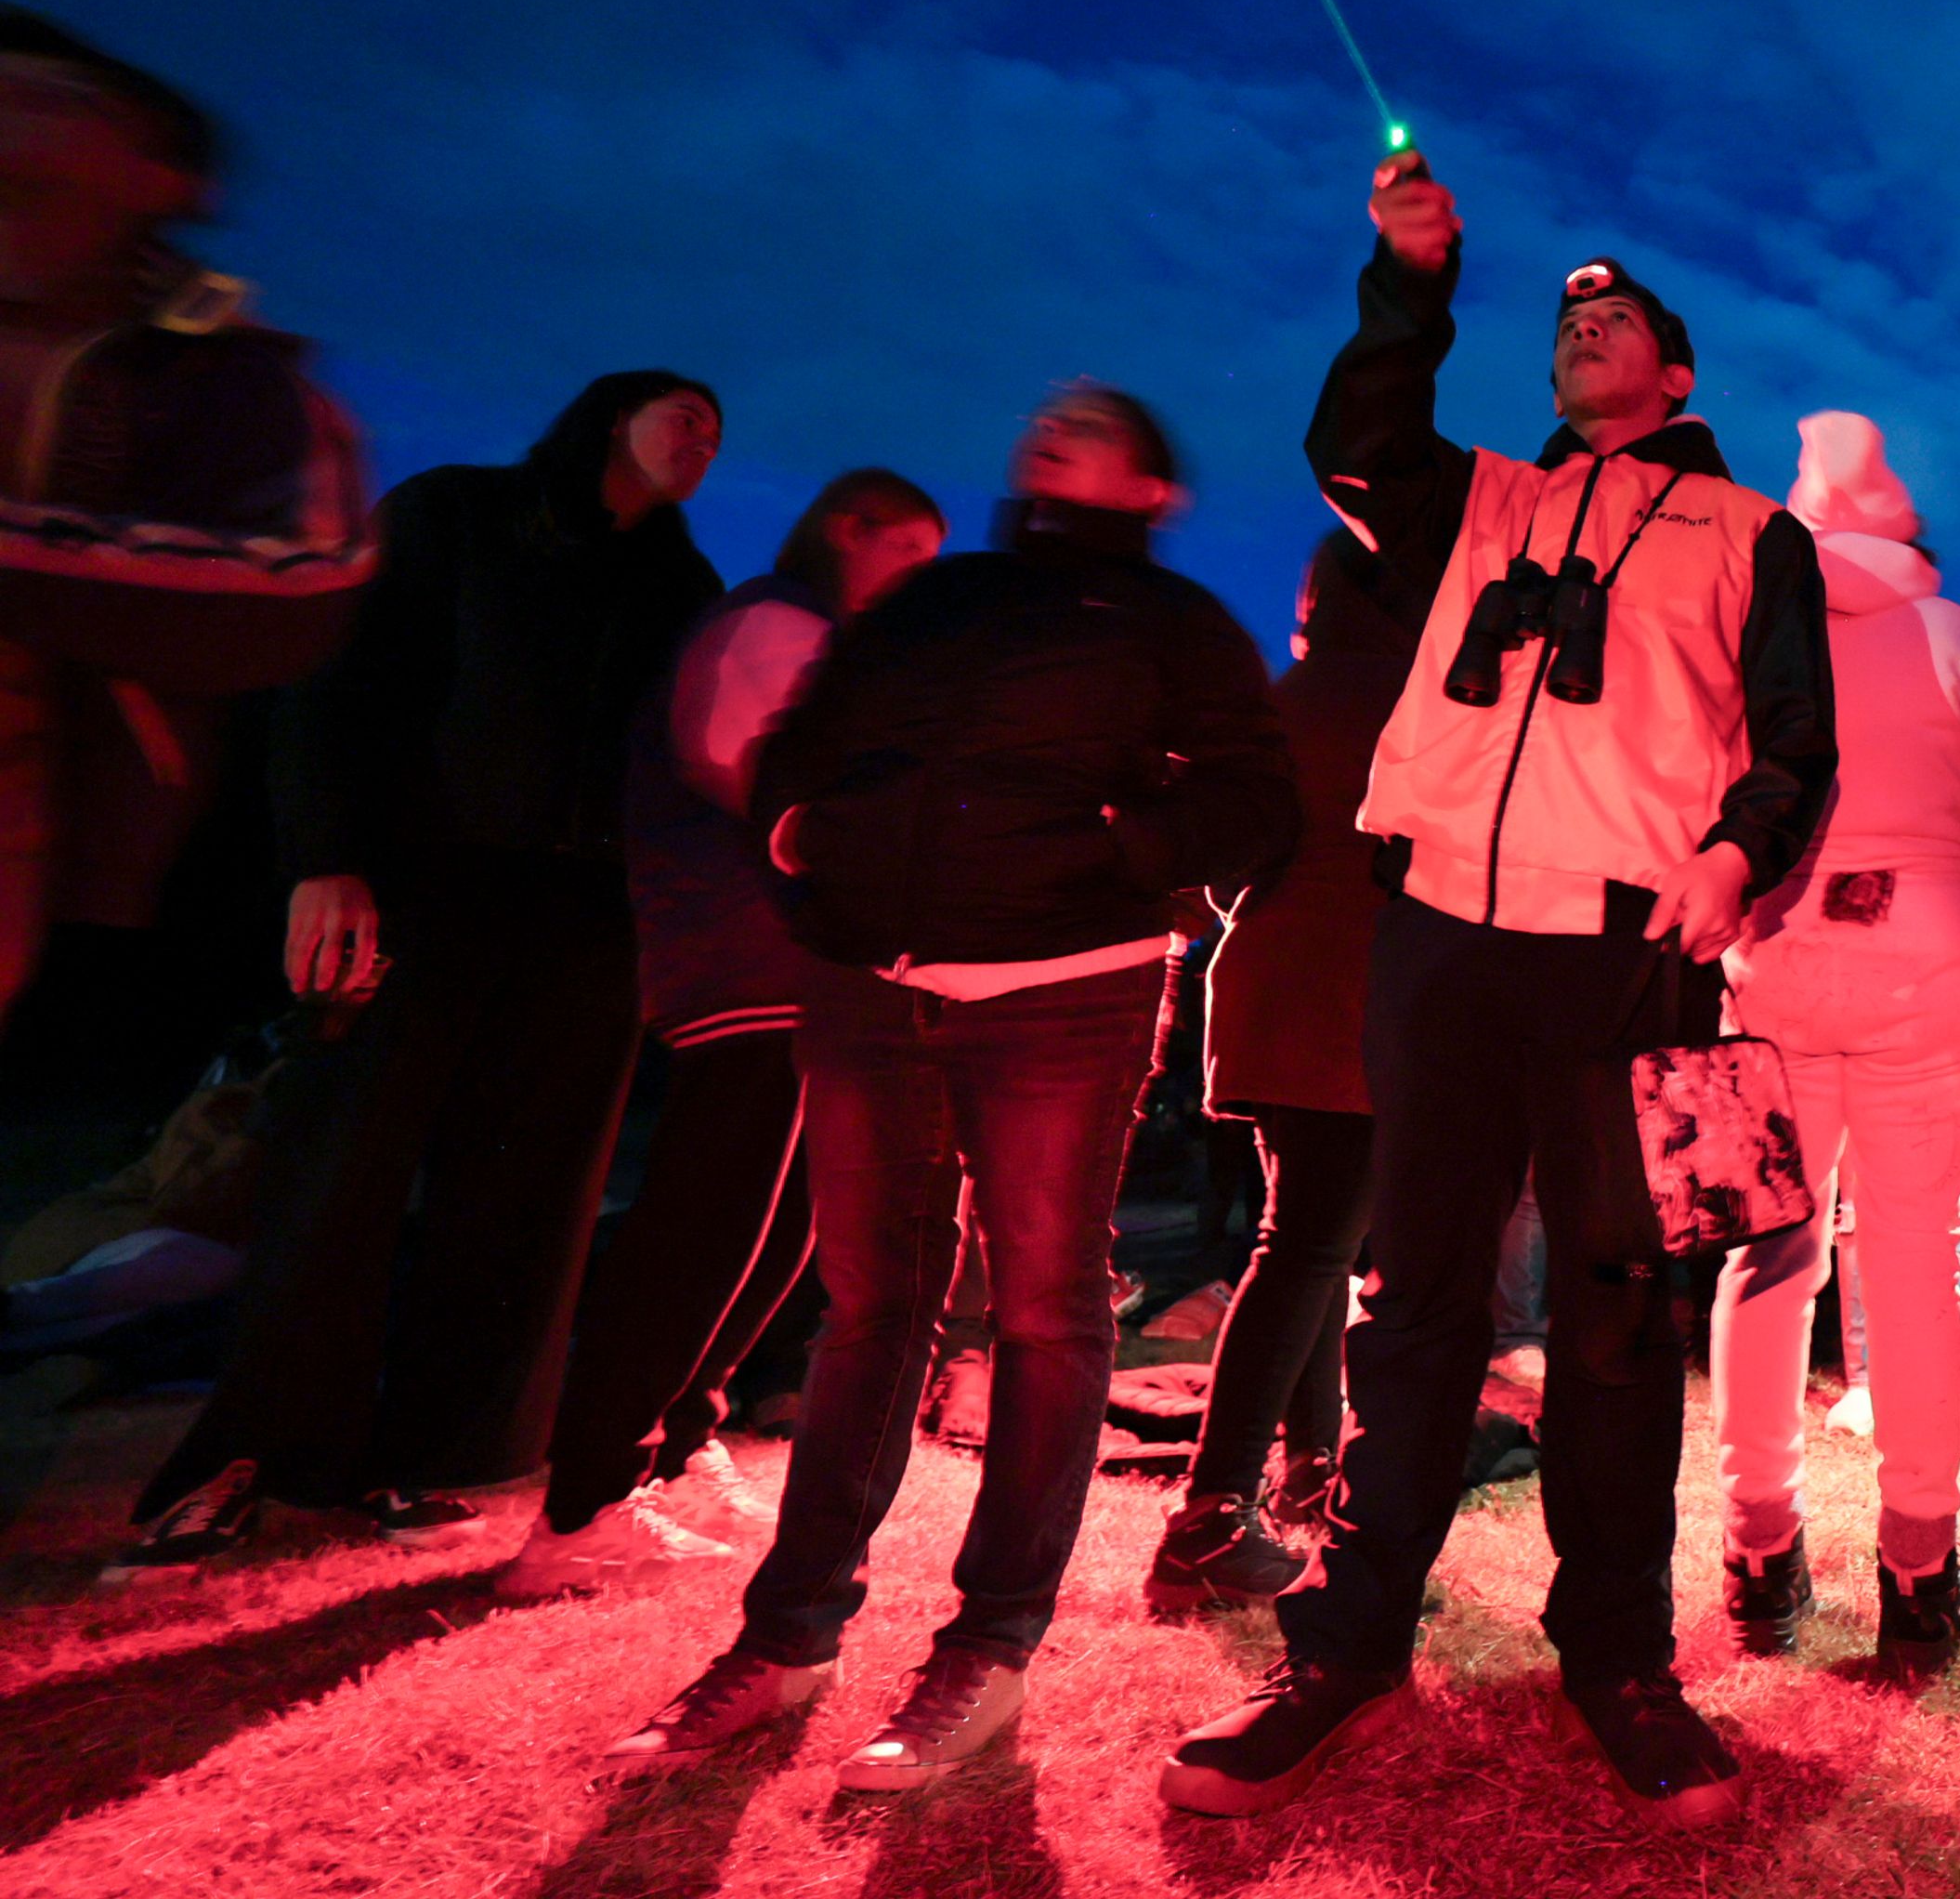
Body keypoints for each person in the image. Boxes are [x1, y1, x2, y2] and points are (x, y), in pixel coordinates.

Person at [1161, 150, 1835, 1832]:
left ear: (1679, 375)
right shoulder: (1483, 502)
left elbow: (1798, 749)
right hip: (1440, 935)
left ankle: (1617, 1659)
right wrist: (1412, 284)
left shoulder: (1759, 533)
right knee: (1413, 1301)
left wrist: (1738, 862)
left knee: (1613, 1321)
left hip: (1632, 949)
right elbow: (1353, 447)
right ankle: (1345, 1643)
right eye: (1567, 319)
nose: (1584, 328)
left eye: (1618, 320)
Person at [604, 385, 1296, 1792]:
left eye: (1096, 422)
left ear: (1151, 487)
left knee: (1044, 1306)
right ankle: (787, 1637)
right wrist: (804, 834)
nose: (1056, 420)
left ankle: (987, 1647)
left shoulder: (1172, 627)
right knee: (869, 1310)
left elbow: (1258, 801)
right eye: (1048, 413)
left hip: (1067, 986)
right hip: (876, 981)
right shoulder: (939, 597)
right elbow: (811, 728)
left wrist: (1120, 847)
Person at [116, 372, 722, 1575]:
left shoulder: (683, 588)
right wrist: (323, 860)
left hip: (589, 923)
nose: (702, 442)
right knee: (339, 1165)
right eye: (683, 416)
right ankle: (254, 1453)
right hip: (421, 886)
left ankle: (433, 1460)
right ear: (611, 414)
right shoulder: (456, 516)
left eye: (716, 432)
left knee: (524, 1194)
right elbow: (338, 688)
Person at [501, 469, 947, 1595]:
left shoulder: (814, 635)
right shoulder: (776, 622)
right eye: (912, 549)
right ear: (850, 530)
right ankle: (583, 1501)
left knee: (781, 1219)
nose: (923, 577)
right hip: (744, 949)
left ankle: (676, 1435)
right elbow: (750, 773)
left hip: (798, 960)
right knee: (711, 1214)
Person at [1706, 412, 1960, 1664]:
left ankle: (1758, 1554)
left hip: (1768, 963)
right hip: (1930, 966)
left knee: (1764, 1259)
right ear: (1903, 520)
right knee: (1914, 1263)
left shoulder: (1745, 638)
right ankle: (1918, 1562)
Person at [0, 12, 371, 1026]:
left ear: (167, 180)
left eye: (56, 102)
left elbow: (289, 585)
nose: (13, 124)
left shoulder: (213, 379)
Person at [1143, 528, 1419, 1607]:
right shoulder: (1423, 701)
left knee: (1308, 1234)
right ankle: (1209, 1518)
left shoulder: (1285, 698)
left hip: (1272, 994)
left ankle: (1309, 1467)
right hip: (1359, 1002)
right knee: (1308, 1245)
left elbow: (1229, 853)